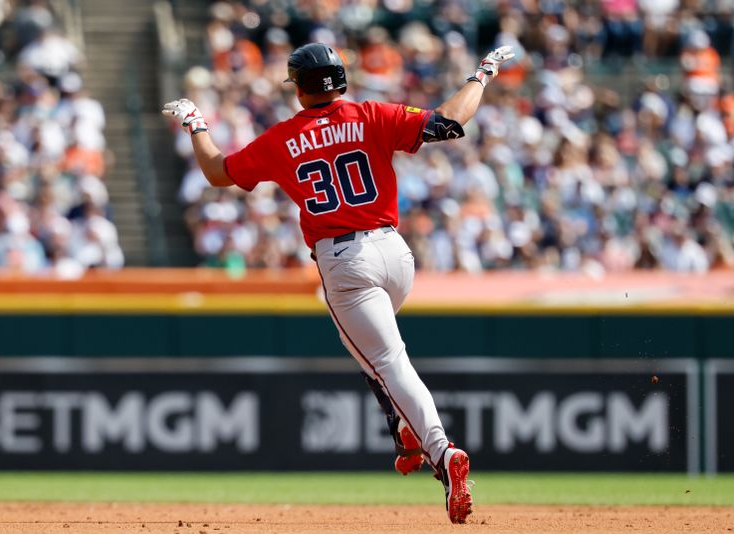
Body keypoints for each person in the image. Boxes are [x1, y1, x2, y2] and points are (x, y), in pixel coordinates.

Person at [162, 42, 514, 524]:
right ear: (340, 80)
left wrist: (195, 123)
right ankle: (405, 433)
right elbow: (449, 121)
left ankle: (440, 450)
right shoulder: (372, 113)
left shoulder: (284, 137)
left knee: (387, 361)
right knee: (374, 354)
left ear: (300, 88)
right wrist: (483, 73)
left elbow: (218, 172)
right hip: (395, 253)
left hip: (345, 260)